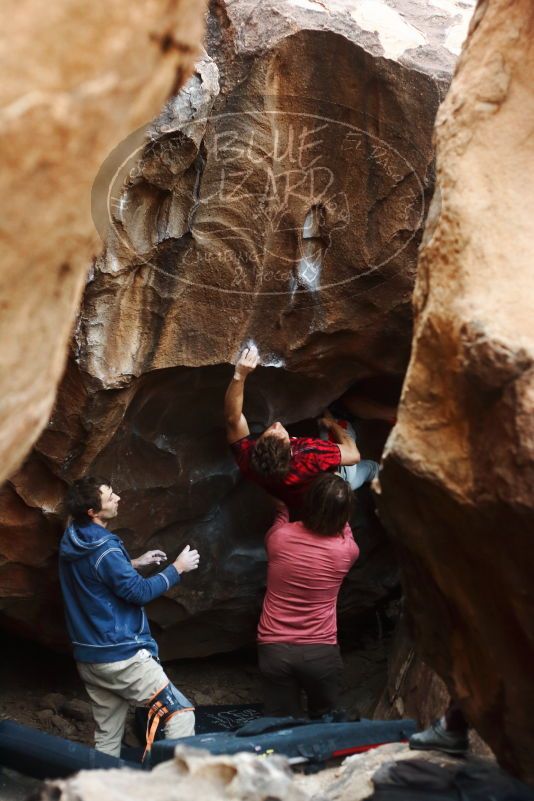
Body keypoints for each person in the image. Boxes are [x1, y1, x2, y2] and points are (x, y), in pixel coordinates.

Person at [58, 476, 200, 757]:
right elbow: (139, 593)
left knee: (108, 738)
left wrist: (133, 563)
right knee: (180, 714)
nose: (118, 498)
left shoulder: (73, 537)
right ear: (93, 512)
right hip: (122, 658)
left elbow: (94, 575)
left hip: (90, 658)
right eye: (110, 497)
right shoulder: (106, 549)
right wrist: (177, 569)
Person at [224, 345, 377, 515]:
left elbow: (233, 419)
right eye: (281, 435)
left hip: (303, 500)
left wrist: (239, 375)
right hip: (338, 483)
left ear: (256, 448)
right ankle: (383, 476)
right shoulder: (309, 455)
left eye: (267, 434)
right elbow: (353, 456)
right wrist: (332, 423)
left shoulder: (249, 461)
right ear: (291, 450)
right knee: (365, 463)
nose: (277, 425)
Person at [257, 472, 359, 718]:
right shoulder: (346, 552)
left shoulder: (278, 539)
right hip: (320, 653)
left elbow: (281, 519)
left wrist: (281, 508)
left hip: (274, 649)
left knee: (280, 725)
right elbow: (345, 528)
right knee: (326, 720)